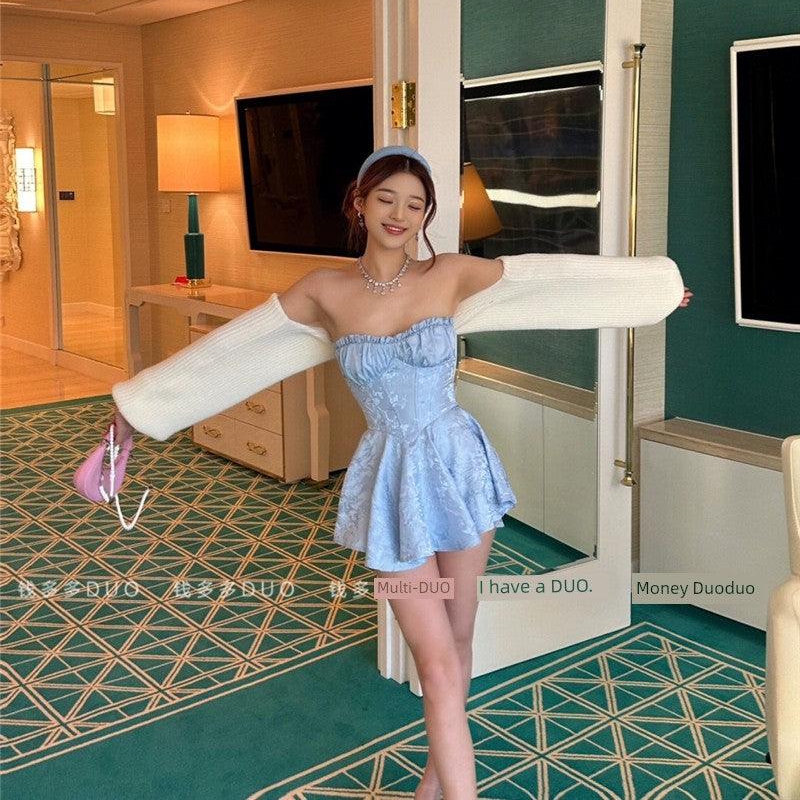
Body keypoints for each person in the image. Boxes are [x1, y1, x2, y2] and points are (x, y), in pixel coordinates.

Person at [107, 144, 692, 798]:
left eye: (415, 204)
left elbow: (543, 283)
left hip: (459, 465)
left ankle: (433, 787)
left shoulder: (451, 273)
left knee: (460, 640)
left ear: (426, 214)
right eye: (386, 198)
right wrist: (137, 408)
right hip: (391, 483)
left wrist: (652, 292)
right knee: (435, 665)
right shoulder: (323, 290)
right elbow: (237, 350)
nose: (399, 214)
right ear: (359, 201)